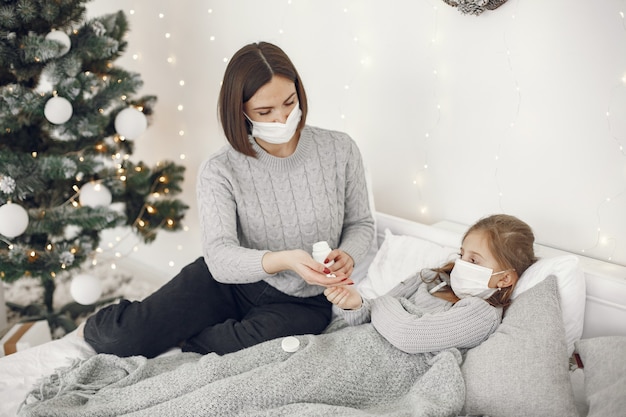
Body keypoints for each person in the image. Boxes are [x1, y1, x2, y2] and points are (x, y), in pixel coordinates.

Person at [82, 41, 375, 358]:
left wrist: (348, 254)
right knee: (117, 341)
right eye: (265, 111)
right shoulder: (220, 169)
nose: (282, 119)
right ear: (242, 110)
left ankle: (194, 336)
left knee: (242, 350)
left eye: (290, 103)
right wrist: (285, 260)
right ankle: (160, 322)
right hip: (228, 283)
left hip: (302, 300)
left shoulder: (340, 149)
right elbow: (219, 257)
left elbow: (361, 223)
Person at [324, 213, 537, 353]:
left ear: (505, 278)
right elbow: (369, 317)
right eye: (462, 255)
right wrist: (356, 304)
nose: (461, 264)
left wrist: (378, 304)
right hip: (353, 343)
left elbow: (407, 335)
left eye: (473, 260)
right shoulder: (430, 278)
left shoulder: (481, 313)